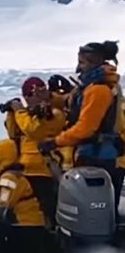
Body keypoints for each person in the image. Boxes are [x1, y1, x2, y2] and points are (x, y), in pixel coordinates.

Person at [39, 41, 124, 215]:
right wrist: (50, 97)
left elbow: (86, 128)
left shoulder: (99, 90)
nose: (78, 67)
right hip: (94, 154)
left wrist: (54, 142)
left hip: (99, 157)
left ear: (94, 62)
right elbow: (72, 101)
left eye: (82, 62)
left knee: (97, 211)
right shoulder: (91, 86)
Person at [3, 77, 67, 223]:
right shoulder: (28, 115)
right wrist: (11, 113)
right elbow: (14, 134)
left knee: (47, 208)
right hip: (25, 169)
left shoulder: (54, 113)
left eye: (36, 94)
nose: (33, 99)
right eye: (29, 96)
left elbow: (33, 131)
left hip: (45, 169)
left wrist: (19, 112)